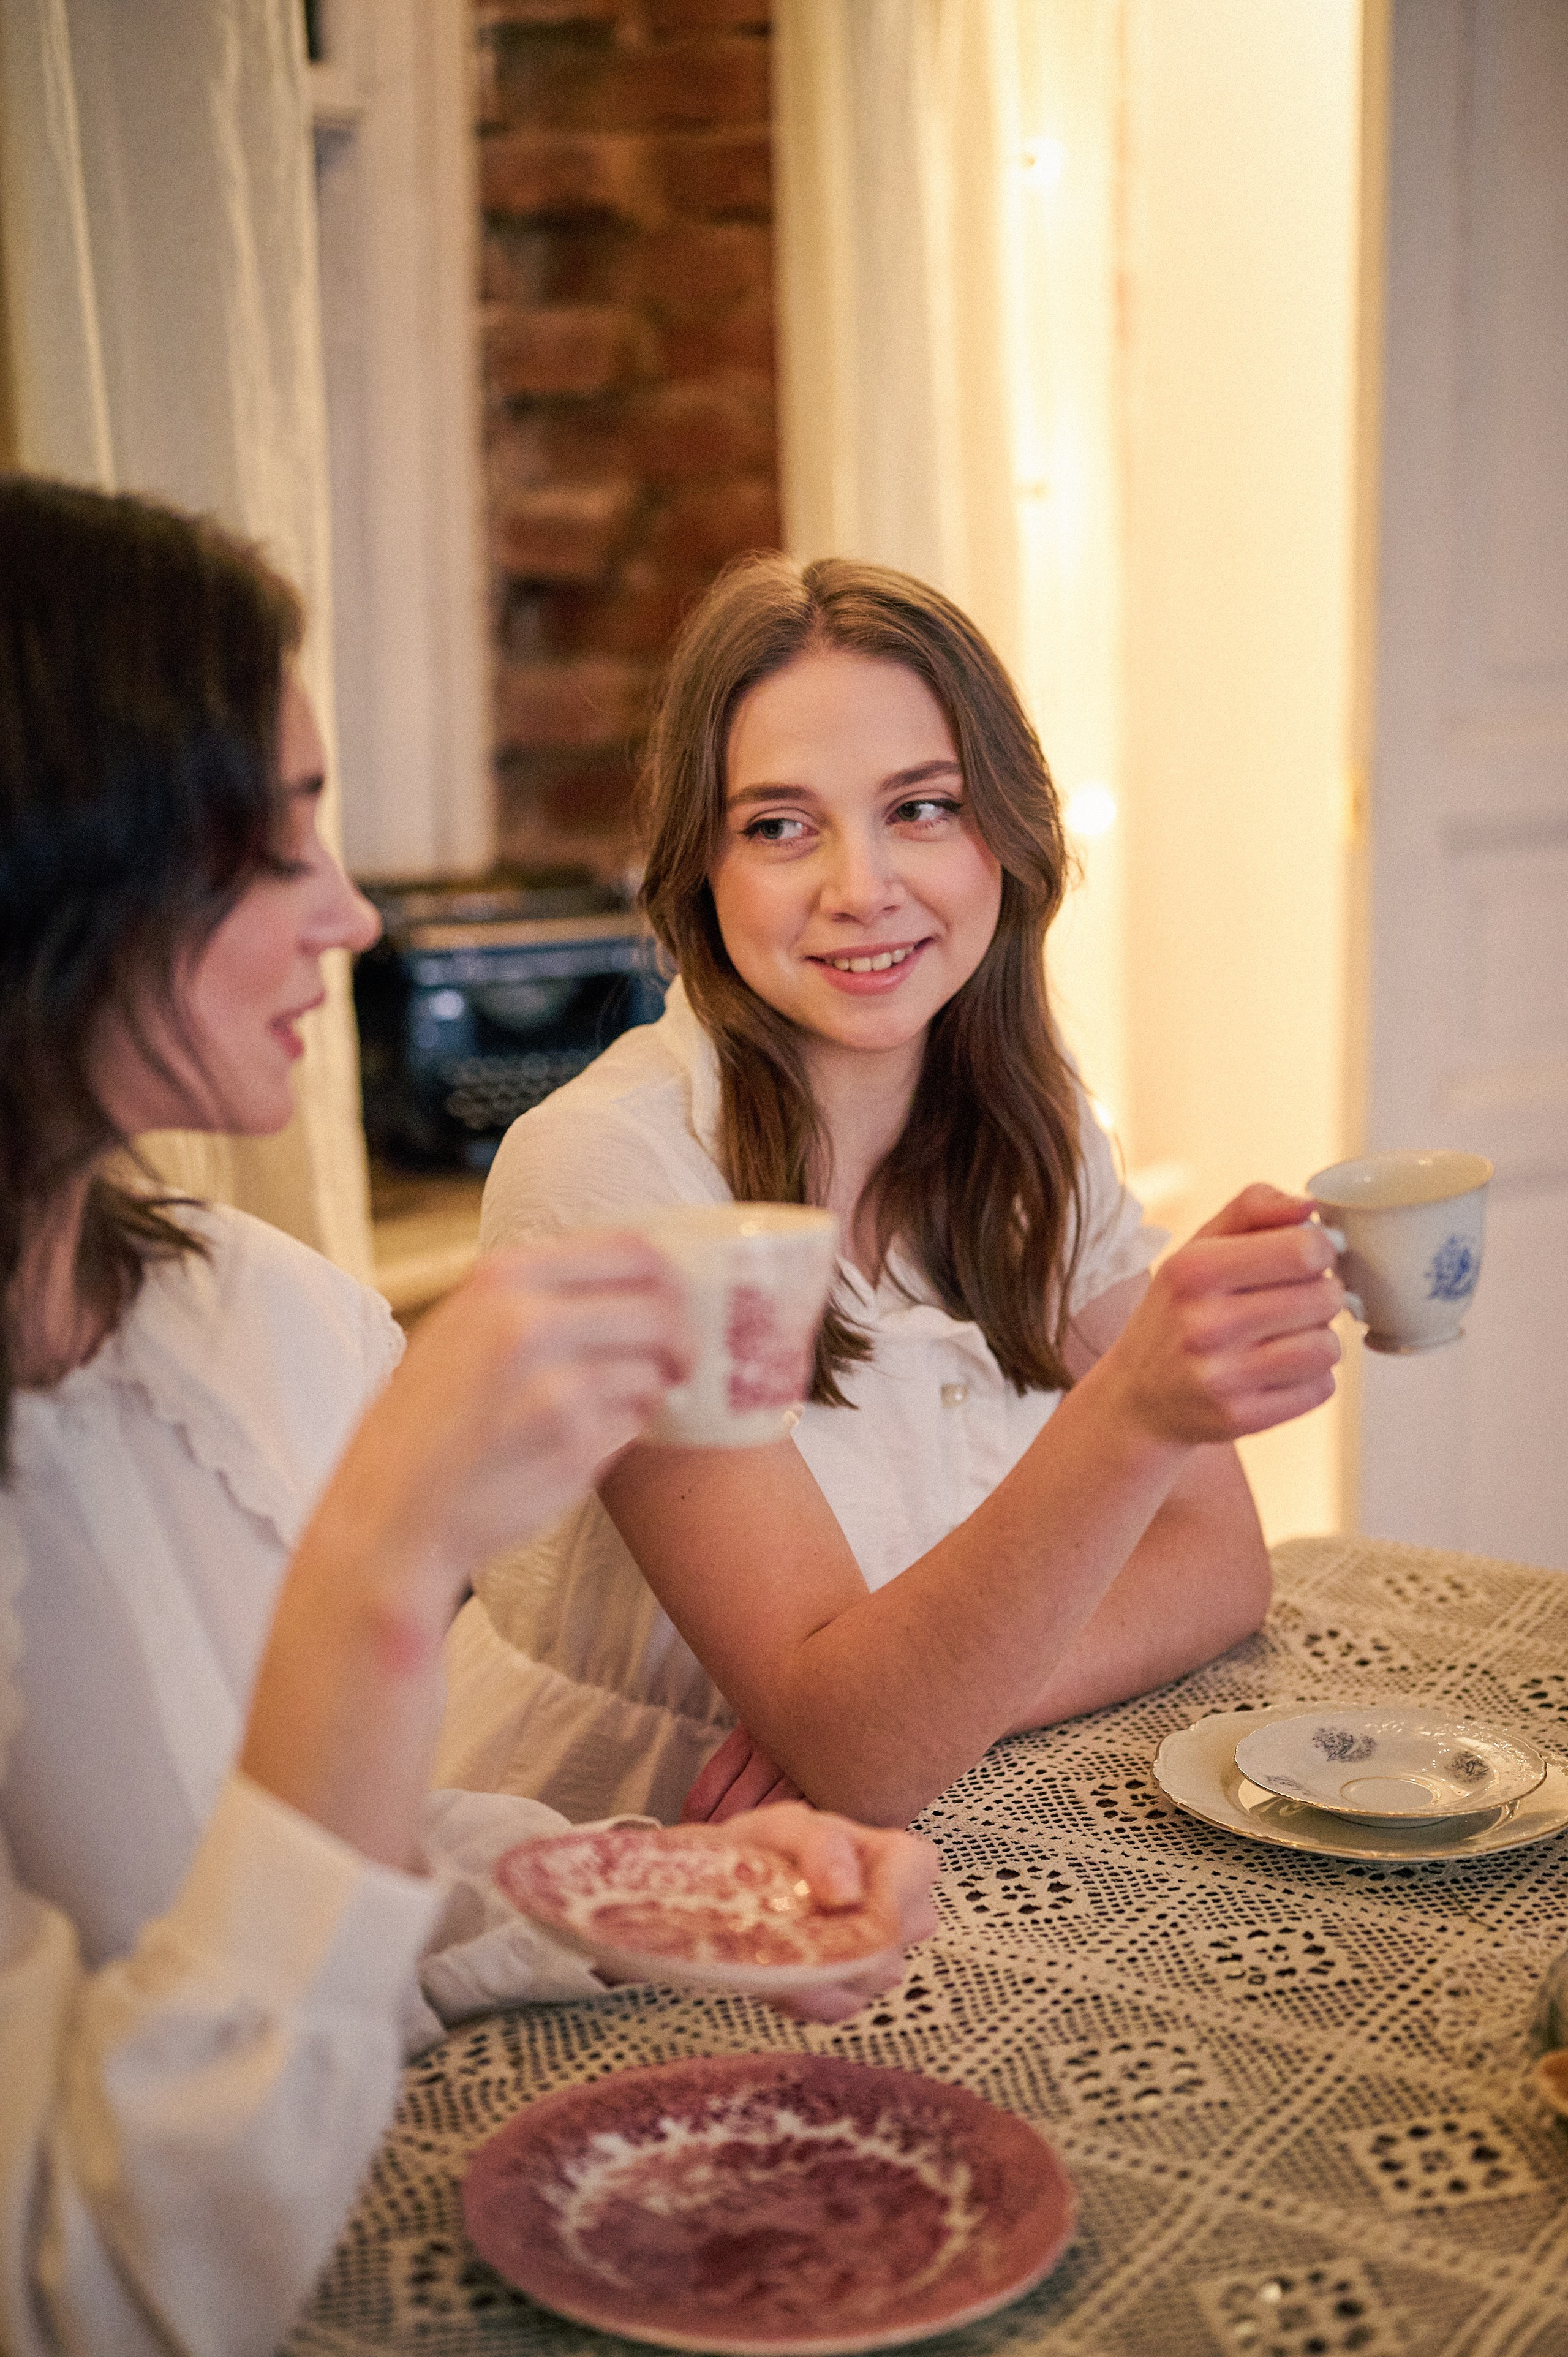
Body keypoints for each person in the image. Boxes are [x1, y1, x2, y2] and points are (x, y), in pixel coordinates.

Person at [0, 481, 939, 2357]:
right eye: (267, 848)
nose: (351, 913)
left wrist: (632, 1882)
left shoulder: (262, 1325)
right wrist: (385, 1559)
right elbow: (102, 2290)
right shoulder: (590, 1174)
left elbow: (298, 1855)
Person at [439, 553, 1347, 1832]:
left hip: (945, 1826)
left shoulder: (1028, 1127)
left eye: (919, 807)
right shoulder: (614, 1179)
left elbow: (1217, 1566)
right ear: (702, 867)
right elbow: (860, 1752)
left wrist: (923, 1704)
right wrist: (1134, 1407)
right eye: (778, 826)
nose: (859, 887)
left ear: (1007, 836)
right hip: (637, 1863)